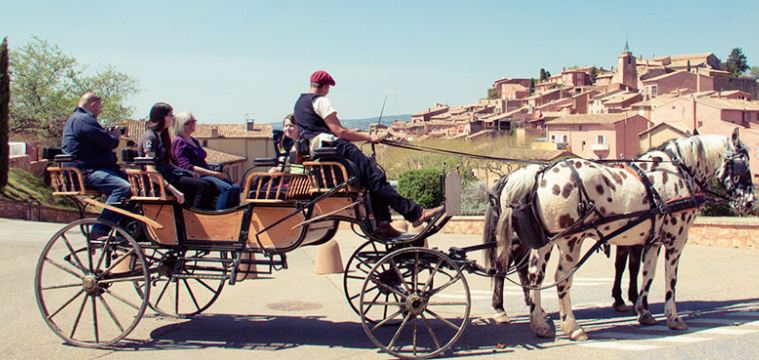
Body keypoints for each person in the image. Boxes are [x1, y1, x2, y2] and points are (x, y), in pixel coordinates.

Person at [293, 70, 443, 238]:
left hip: (321, 153)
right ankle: (415, 214)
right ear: (327, 87)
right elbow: (340, 132)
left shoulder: (299, 103)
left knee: (372, 180)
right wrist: (370, 137)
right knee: (376, 176)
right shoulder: (321, 101)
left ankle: (383, 224)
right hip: (335, 148)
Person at [61, 92, 132, 238]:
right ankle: (100, 228)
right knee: (123, 188)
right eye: (99, 107)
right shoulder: (84, 119)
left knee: (139, 185)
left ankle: (128, 228)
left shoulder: (76, 119)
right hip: (87, 171)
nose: (100, 111)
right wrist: (116, 136)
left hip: (93, 168)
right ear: (93, 105)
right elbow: (107, 142)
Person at [138, 103, 215, 209]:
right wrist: (174, 191)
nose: (172, 118)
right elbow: (151, 170)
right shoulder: (150, 138)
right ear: (161, 117)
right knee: (203, 186)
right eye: (170, 115)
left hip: (169, 176)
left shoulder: (163, 136)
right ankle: (194, 220)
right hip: (159, 183)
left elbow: (168, 164)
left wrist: (189, 172)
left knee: (207, 184)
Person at [172, 112, 241, 209]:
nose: (193, 124)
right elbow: (187, 166)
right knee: (227, 189)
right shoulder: (179, 141)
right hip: (196, 175)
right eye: (190, 122)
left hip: (206, 173)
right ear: (183, 125)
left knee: (236, 187)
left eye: (193, 121)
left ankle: (234, 213)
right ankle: (220, 216)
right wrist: (214, 174)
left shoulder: (193, 140)